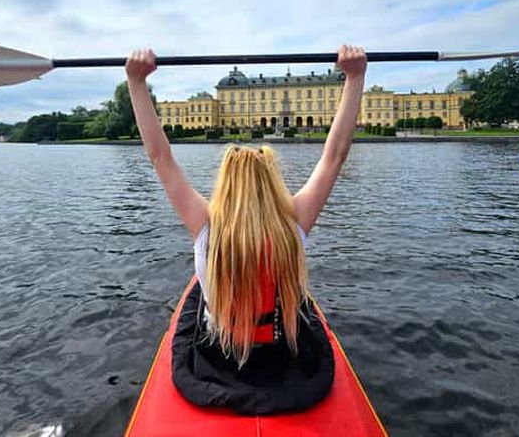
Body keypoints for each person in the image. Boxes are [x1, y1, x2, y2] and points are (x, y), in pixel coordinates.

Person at [126, 45, 367, 414]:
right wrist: (355, 77)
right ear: (272, 183)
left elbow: (160, 156)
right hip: (283, 363)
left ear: (226, 185)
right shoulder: (293, 223)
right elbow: (334, 155)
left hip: (220, 361)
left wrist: (136, 82)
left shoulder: (206, 226)